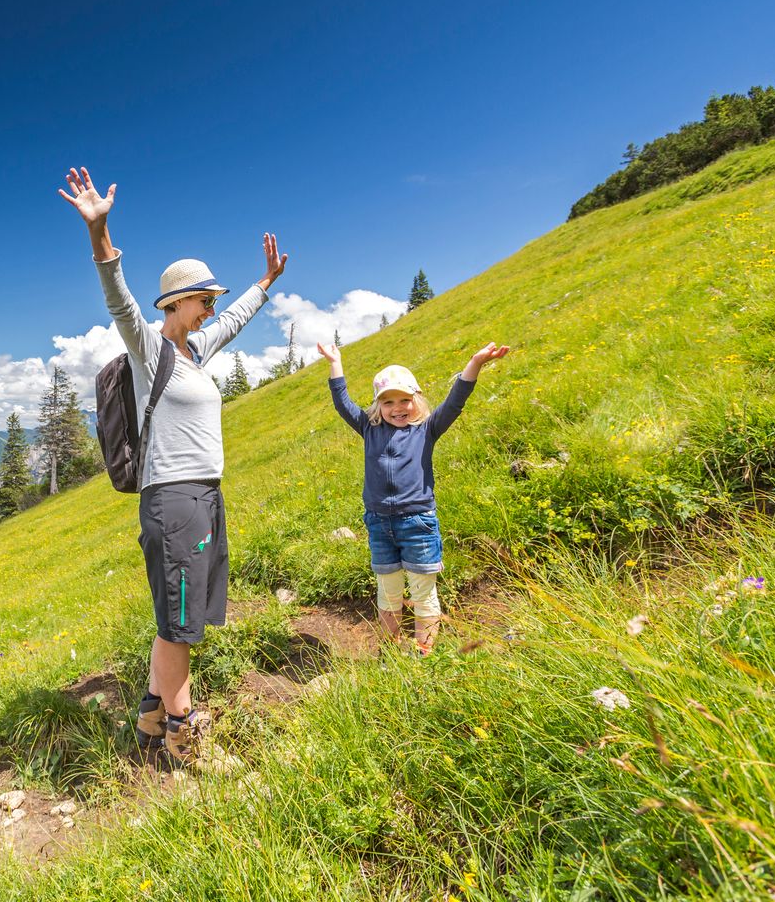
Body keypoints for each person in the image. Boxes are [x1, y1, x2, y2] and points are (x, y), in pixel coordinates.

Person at [58, 166, 288, 765]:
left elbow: (236, 323)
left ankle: (150, 719)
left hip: (205, 496)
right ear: (175, 302)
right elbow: (118, 296)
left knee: (179, 618)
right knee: (179, 622)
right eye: (204, 299)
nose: (212, 307)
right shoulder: (149, 346)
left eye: (213, 299)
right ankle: (183, 738)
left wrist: (264, 284)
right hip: (173, 498)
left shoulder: (195, 349)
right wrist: (99, 233)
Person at [317, 340, 509, 653]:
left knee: (422, 591)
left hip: (417, 523)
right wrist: (334, 362)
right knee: (388, 591)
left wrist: (475, 363)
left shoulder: (428, 429)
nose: (397, 408)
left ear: (416, 400)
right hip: (379, 524)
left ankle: (425, 651)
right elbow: (342, 403)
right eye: (388, 402)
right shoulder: (369, 428)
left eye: (404, 400)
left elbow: (456, 401)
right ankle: (391, 649)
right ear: (378, 406)